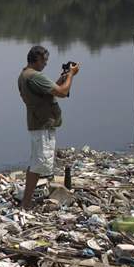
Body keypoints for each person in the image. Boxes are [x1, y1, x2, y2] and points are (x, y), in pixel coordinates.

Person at [17, 45, 79, 209]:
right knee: (38, 164)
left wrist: (63, 78)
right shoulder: (35, 76)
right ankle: (26, 202)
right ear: (36, 59)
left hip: (38, 122)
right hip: (41, 124)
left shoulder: (25, 75)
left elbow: (49, 91)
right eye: (44, 61)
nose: (45, 64)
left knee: (38, 163)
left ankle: (27, 200)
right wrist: (71, 75)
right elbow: (62, 92)